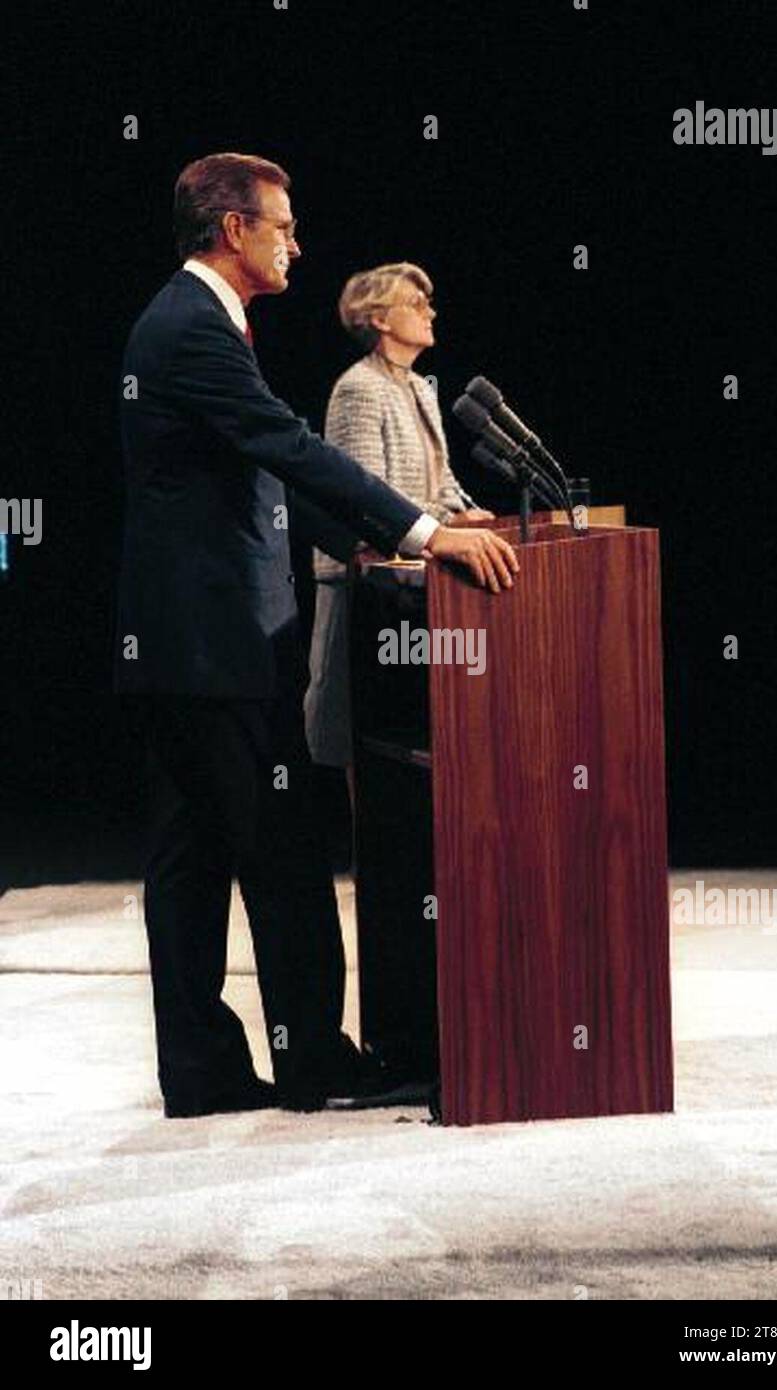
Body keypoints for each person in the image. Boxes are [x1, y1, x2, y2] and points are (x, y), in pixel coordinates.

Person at [114, 152, 518, 1118]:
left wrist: (400, 541)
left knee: (192, 856)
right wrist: (420, 534)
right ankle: (316, 1064)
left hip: (186, 645)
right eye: (283, 224)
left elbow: (268, 475)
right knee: (284, 855)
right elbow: (290, 447)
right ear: (231, 230)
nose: (297, 240)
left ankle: (202, 1073)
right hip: (219, 647)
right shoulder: (190, 328)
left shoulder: (196, 322)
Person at [304, 262, 493, 768]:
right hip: (360, 581)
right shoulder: (358, 387)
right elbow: (367, 494)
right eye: (416, 303)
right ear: (380, 319)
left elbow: (443, 478)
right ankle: (350, 839)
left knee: (403, 728)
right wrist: (448, 526)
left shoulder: (418, 387)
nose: (430, 311)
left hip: (415, 576)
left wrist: (475, 515)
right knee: (350, 729)